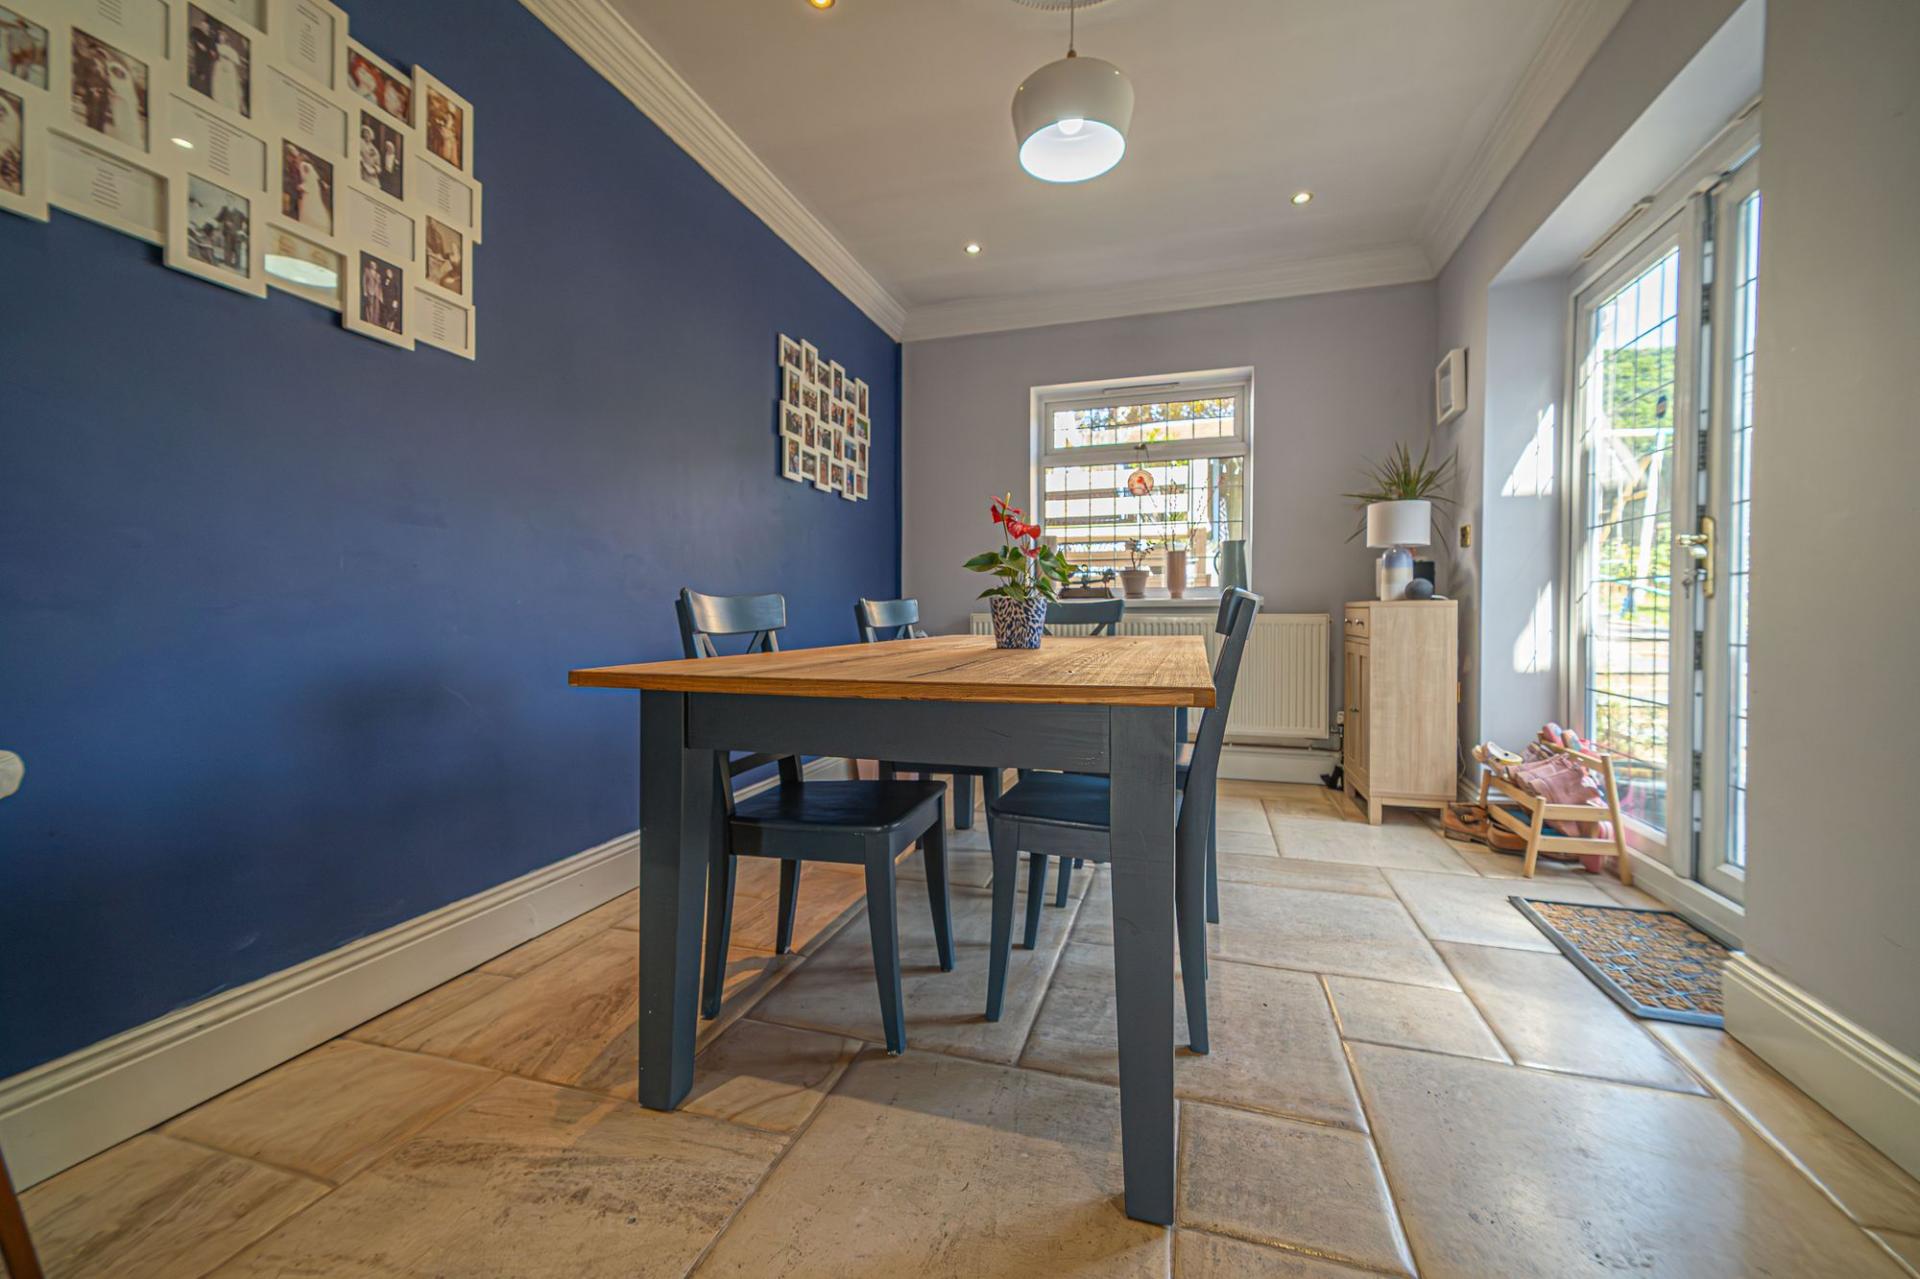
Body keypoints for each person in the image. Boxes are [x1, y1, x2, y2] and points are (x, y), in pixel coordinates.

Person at [209, 31, 243, 115]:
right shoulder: (216, 46)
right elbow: (213, 55)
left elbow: (236, 60)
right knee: (219, 85)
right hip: (220, 66)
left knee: (229, 87)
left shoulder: (229, 49)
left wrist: (227, 58)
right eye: (220, 36)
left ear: (225, 38)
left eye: (223, 36)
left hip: (229, 69)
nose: (221, 38)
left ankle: (230, 106)